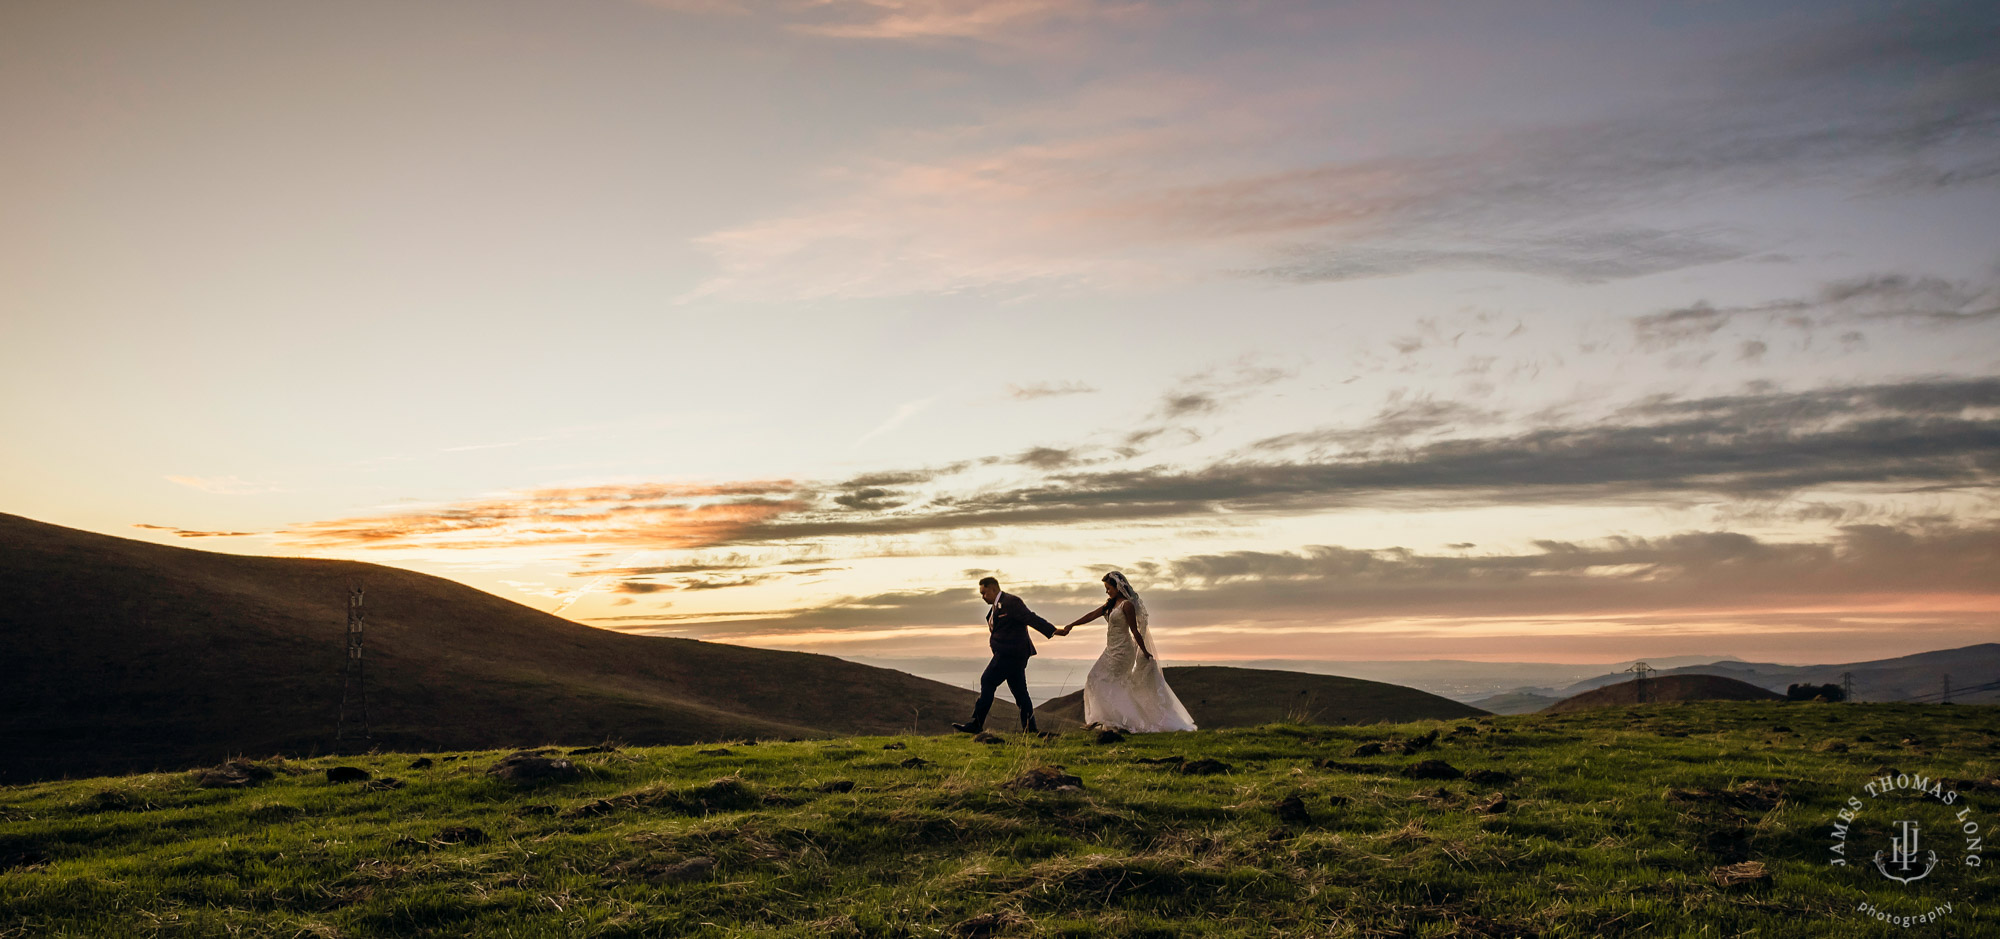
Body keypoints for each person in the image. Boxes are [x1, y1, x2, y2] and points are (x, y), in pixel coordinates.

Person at [1055, 571, 1196, 733]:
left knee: (1112, 682)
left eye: (1108, 588)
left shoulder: (1126, 605)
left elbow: (1134, 631)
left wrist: (1144, 651)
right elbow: (1092, 615)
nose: (1107, 591)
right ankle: (1107, 720)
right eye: (1106, 588)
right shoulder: (1110, 605)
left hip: (1123, 651)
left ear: (1118, 587)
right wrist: (1071, 625)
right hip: (1110, 649)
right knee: (1094, 678)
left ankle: (1122, 721)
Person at [953, 576, 1059, 733]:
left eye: (984, 593)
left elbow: (1030, 617)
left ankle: (976, 724)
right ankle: (1030, 729)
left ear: (993, 588)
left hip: (1010, 653)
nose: (982, 597)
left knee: (987, 680)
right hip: (1012, 654)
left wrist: (1052, 630)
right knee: (1020, 692)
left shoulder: (1011, 602)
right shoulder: (994, 609)